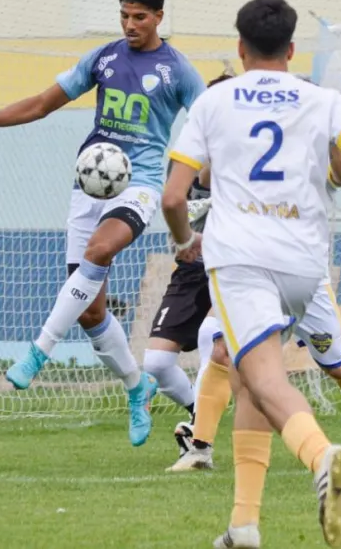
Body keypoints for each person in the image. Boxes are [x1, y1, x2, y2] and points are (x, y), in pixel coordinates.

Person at [0, 0, 206, 448]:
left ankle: (38, 353)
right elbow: (43, 103)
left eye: (139, 17)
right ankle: (136, 387)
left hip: (139, 184)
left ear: (159, 17)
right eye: (124, 15)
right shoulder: (103, 58)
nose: (130, 24)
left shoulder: (178, 70)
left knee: (100, 249)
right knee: (90, 311)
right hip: (89, 185)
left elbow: (209, 123)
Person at [162, 0, 341, 549]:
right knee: (247, 385)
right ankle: (244, 527)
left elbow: (172, 196)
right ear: (291, 48)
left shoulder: (213, 104)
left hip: (240, 260)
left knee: (263, 381)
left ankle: (320, 455)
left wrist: (186, 240)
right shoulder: (324, 98)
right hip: (304, 268)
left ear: (240, 49)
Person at [168, 142, 341, 474]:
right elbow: (206, 180)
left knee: (337, 367)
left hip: (305, 281)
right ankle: (200, 450)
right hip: (254, 275)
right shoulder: (249, 148)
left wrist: (333, 140)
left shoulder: (308, 154)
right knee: (222, 348)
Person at [142, 73, 230, 428]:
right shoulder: (184, 160)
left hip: (236, 269)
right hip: (194, 269)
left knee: (217, 343)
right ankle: (200, 416)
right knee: (156, 364)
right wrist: (184, 240)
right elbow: (176, 206)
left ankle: (200, 436)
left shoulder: (247, 162)